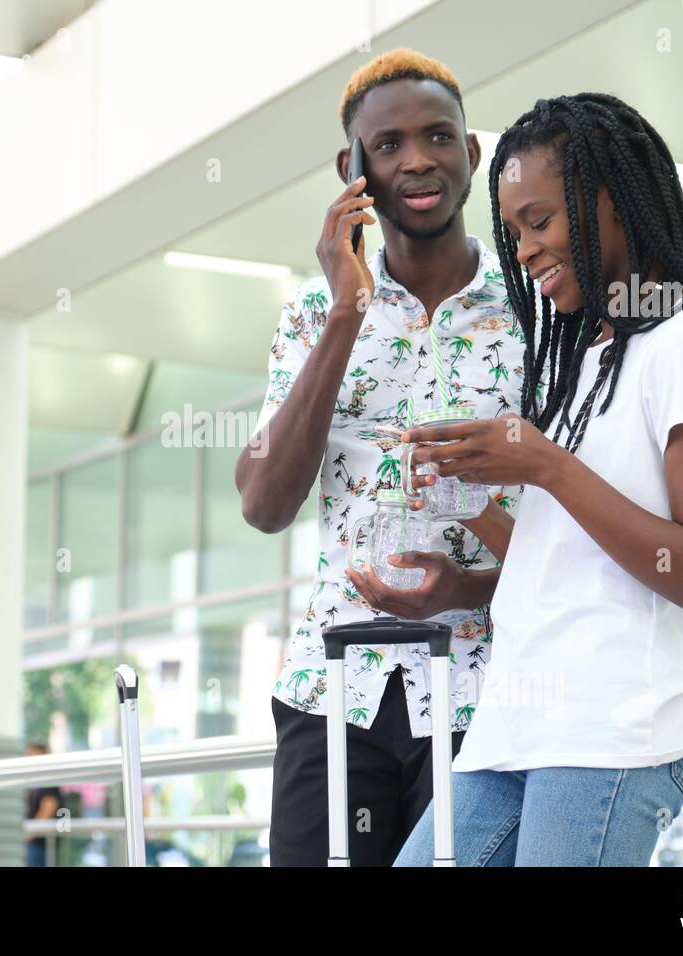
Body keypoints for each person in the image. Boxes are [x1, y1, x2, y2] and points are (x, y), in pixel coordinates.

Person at [372, 92, 683, 866]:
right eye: (514, 230)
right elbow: (577, 562)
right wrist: (478, 509)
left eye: (541, 221)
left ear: (610, 201)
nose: (522, 251)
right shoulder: (587, 357)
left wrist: (545, 465)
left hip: (611, 730)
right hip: (518, 727)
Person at [236, 48, 526, 867]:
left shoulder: (537, 315)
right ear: (352, 170)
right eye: (388, 144)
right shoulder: (309, 317)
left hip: (488, 693)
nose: (417, 160)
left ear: (473, 153)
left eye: (438, 136)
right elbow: (262, 503)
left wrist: (471, 587)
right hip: (334, 694)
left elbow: (570, 531)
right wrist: (345, 315)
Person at [24, 743, 62, 867]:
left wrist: (29, 835)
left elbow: (49, 807)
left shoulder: (47, 779)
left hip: (40, 844)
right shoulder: (38, 781)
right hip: (37, 843)